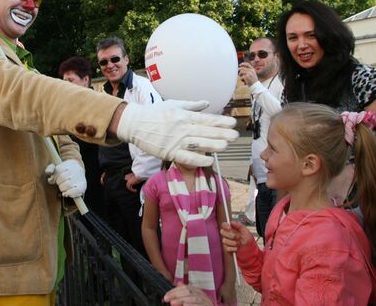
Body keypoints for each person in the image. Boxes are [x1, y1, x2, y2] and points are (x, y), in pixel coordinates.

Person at [0, 0, 238, 304]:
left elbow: (60, 137)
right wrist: (126, 118)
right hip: (8, 257)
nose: (31, 4)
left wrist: (74, 166)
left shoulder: (21, 59)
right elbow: (18, 93)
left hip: (46, 252)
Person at [221, 103, 376, 305]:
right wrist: (248, 251)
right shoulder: (284, 210)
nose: (263, 155)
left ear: (309, 164)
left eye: (273, 149)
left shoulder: (329, 245)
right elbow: (275, 285)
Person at [277, 0, 376, 204]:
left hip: (370, 208)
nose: (301, 44)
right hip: (316, 211)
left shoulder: (363, 78)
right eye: (293, 37)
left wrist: (356, 172)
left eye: (311, 35)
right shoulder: (292, 91)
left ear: (330, 36)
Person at [96, 37, 162, 257]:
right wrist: (107, 171)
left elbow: (155, 132)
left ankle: (153, 291)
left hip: (133, 183)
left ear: (126, 59)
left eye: (115, 59)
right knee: (124, 247)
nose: (110, 65)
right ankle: (132, 291)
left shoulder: (143, 89)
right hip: (113, 181)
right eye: (103, 62)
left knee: (144, 245)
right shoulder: (104, 92)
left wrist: (139, 174)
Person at [142, 161, 237, 305]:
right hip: (172, 272)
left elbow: (228, 233)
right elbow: (148, 228)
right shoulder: (157, 182)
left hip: (213, 271)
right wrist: (160, 269)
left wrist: (230, 281)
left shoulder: (216, 183)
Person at [238, 37, 283, 240]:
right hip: (262, 178)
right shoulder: (259, 89)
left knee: (279, 237)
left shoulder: (282, 83)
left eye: (262, 54)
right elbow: (260, 129)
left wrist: (255, 85)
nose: (256, 59)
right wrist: (251, 165)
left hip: (279, 178)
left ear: (277, 57)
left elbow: (282, 115)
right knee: (266, 236)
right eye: (251, 55)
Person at [58, 56, 105, 218]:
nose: (66, 85)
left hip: (97, 181)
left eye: (70, 80)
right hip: (78, 180)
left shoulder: (99, 105)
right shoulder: (68, 108)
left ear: (86, 80)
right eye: (63, 81)